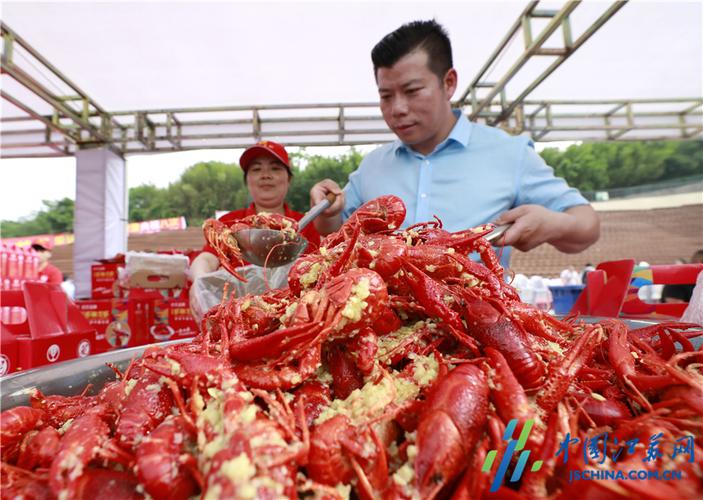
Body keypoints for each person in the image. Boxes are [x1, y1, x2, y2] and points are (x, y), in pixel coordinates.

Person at [309, 20, 599, 268]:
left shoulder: (509, 153)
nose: (397, 108)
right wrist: (329, 212)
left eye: (412, 91)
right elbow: (334, 234)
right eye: (386, 96)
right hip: (384, 326)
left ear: (448, 83)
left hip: (475, 325)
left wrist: (552, 224)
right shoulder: (373, 165)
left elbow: (586, 225)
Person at [189, 140, 321, 281]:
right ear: (247, 181)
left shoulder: (308, 225)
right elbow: (207, 259)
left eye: (275, 168)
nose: (265, 175)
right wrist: (200, 279)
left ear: (289, 178)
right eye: (256, 169)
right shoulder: (228, 222)